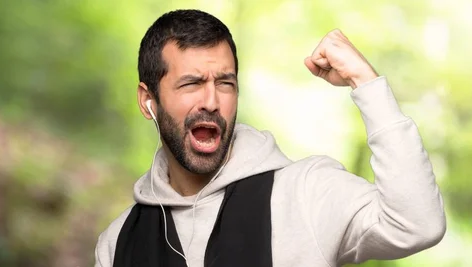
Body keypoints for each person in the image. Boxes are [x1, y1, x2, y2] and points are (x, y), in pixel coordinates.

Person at [94, 9, 446, 267]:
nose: (212, 102)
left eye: (225, 83)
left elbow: (417, 224)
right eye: (192, 83)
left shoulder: (305, 194)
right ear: (148, 100)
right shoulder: (116, 243)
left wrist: (366, 83)